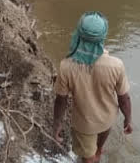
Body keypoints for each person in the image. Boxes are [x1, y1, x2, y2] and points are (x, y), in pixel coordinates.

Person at [53, 12, 133, 163]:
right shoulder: (116, 65)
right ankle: (97, 153)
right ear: (103, 37)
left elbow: (61, 101)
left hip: (85, 125)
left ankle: (93, 157)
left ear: (79, 35)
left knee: (88, 159)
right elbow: (124, 98)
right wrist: (128, 119)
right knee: (97, 149)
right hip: (108, 119)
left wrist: (57, 125)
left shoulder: (66, 66)